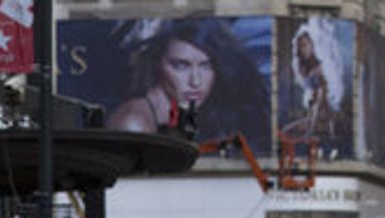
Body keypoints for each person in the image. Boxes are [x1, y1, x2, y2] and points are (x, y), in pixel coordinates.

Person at [108, 19, 270, 150]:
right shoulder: (134, 124)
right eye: (181, 66)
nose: (195, 81)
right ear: (157, 64)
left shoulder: (192, 113)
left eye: (206, 66)